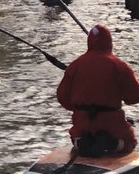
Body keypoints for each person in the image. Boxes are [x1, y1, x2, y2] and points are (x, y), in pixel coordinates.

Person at [56, 24, 139, 156]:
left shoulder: (75, 65)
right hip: (111, 121)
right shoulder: (119, 65)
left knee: (77, 133)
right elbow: (134, 97)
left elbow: (62, 97)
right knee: (130, 141)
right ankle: (114, 144)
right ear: (110, 42)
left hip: (82, 122)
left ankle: (81, 142)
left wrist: (80, 106)